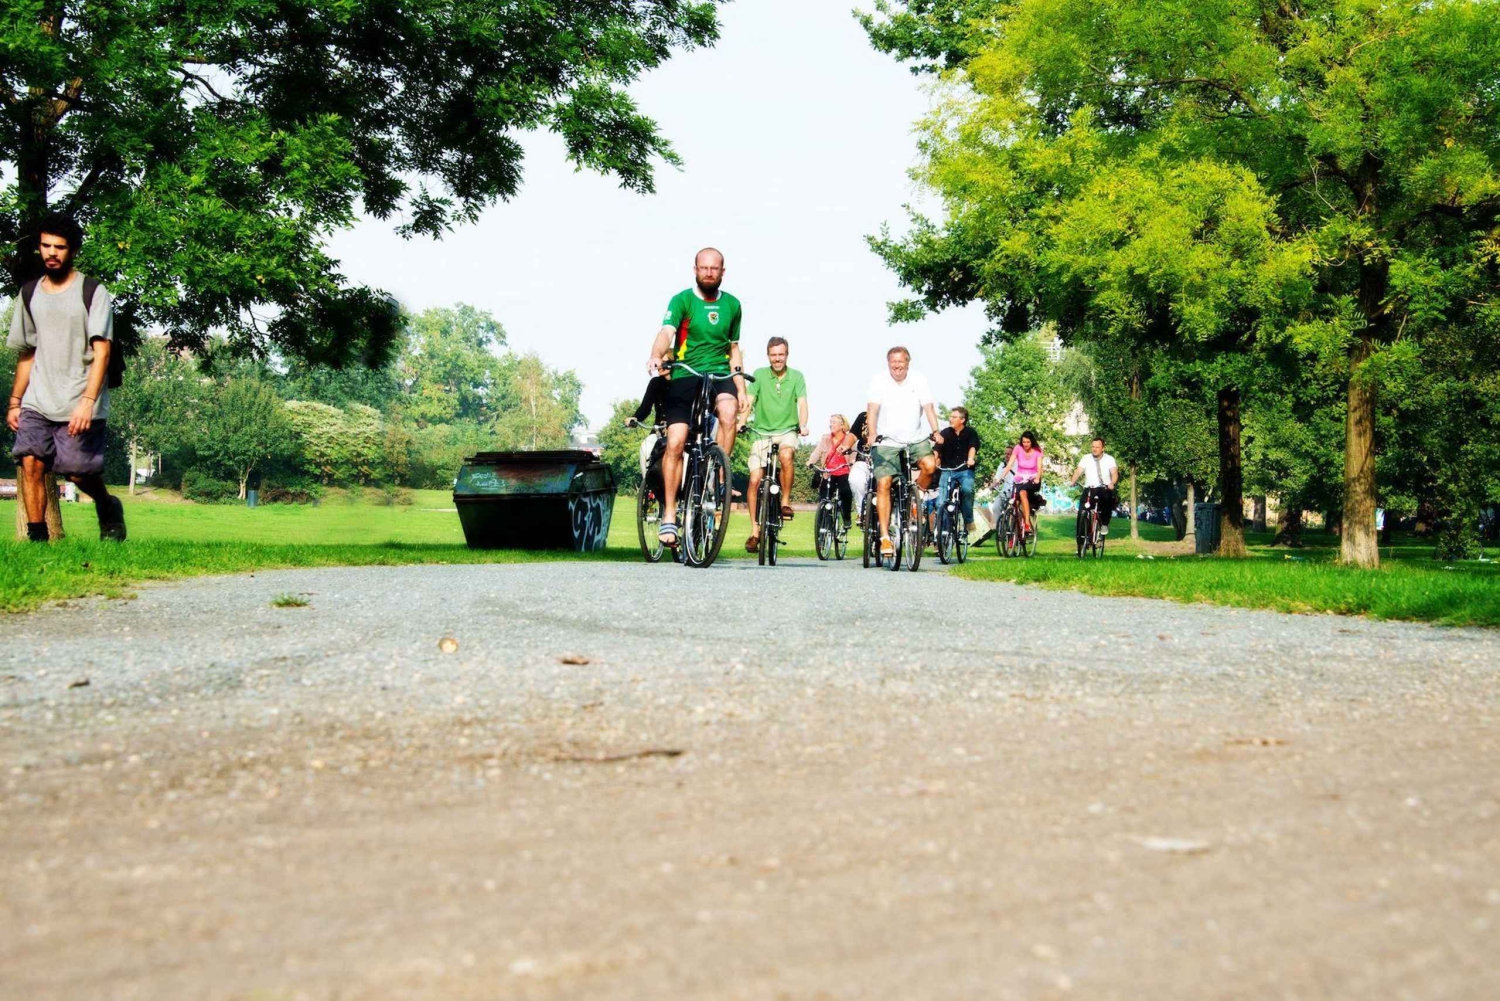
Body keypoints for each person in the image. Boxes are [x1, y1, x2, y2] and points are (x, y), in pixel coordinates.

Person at [7, 214, 126, 542]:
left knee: (76, 471)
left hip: (79, 398)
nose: (51, 253)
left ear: (72, 250)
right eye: (46, 245)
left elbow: (102, 351)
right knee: (30, 462)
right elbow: (27, 352)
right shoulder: (29, 294)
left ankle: (107, 504)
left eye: (59, 247)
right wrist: (15, 401)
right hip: (38, 399)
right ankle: (38, 540)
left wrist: (88, 402)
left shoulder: (92, 291)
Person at [644, 248, 747, 548]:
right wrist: (655, 355)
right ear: (695, 269)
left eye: (714, 268)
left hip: (718, 373)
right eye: (704, 268)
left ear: (723, 271)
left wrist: (740, 386)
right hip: (685, 374)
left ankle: (717, 475)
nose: (709, 273)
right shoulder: (682, 300)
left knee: (729, 413)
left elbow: (734, 348)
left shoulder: (733, 305)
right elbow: (666, 332)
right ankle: (670, 514)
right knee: (676, 441)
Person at [865, 346, 939, 558]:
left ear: (908, 362)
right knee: (884, 482)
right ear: (888, 363)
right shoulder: (879, 380)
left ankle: (915, 500)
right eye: (892, 362)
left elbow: (929, 408)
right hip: (887, 441)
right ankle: (884, 537)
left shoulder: (919, 380)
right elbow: (872, 409)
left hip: (914, 438)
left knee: (930, 465)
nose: (896, 366)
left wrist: (936, 430)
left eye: (900, 362)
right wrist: (872, 433)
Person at [743, 337, 808, 552]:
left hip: (787, 430)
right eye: (773, 355)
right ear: (768, 355)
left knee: (786, 456)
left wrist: (803, 424)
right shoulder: (759, 375)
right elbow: (749, 401)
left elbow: (802, 404)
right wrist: (741, 422)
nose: (777, 359)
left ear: (787, 355)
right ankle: (754, 531)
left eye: (781, 354)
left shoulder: (797, 377)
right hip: (762, 433)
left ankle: (785, 501)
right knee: (754, 480)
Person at [933, 405, 981, 536]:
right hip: (947, 470)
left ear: (962, 420)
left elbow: (973, 447)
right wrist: (934, 459)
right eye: (950, 416)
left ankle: (968, 520)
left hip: (964, 469)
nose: (950, 419)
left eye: (954, 417)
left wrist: (971, 459)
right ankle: (942, 532)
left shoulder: (971, 433)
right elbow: (937, 449)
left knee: (967, 490)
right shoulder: (945, 433)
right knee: (940, 502)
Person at [807, 413, 857, 529]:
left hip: (843, 470)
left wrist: (853, 461)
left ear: (842, 425)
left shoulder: (849, 438)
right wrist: (810, 461)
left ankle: (847, 517)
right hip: (828, 471)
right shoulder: (825, 438)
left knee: (845, 491)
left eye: (834, 422)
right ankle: (824, 523)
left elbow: (854, 453)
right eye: (830, 422)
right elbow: (818, 451)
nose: (831, 424)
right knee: (824, 497)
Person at [1068, 435, 1119, 541]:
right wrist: (1073, 480)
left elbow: (1114, 473)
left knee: (1107, 499)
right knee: (1082, 510)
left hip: (1104, 488)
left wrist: (1112, 483)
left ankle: (1104, 524)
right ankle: (1081, 540)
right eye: (1093, 447)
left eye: (1097, 447)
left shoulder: (1109, 459)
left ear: (1103, 448)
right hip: (1090, 488)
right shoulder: (1086, 458)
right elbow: (1078, 471)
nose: (1094, 449)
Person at [997, 430, 1045, 534]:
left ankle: (1027, 524)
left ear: (1031, 442)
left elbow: (1040, 467)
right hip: (1020, 477)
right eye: (1024, 442)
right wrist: (1000, 478)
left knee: (1023, 493)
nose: (1025, 444)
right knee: (1015, 501)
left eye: (1028, 442)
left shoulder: (1037, 451)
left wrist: (1037, 478)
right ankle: (1015, 531)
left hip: (1033, 478)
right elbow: (1009, 465)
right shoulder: (1018, 448)